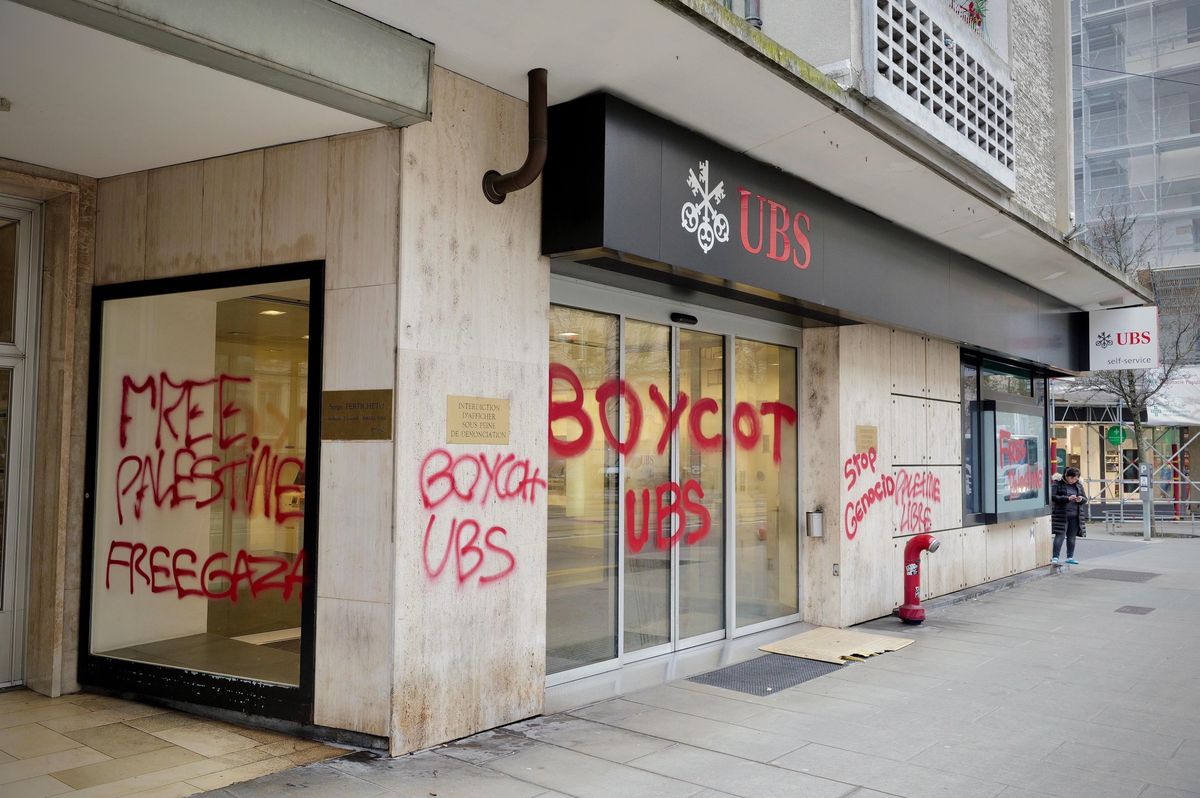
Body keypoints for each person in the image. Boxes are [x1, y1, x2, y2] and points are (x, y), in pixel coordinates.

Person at [1051, 466, 1087, 565]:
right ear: (1066, 476)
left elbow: (1085, 498)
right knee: (1060, 536)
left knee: (1071, 537)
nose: (1073, 480)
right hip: (1061, 514)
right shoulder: (1057, 483)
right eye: (1072, 478)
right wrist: (1067, 498)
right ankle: (1055, 557)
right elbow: (1053, 497)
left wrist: (1080, 499)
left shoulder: (1078, 485)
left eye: (1076, 479)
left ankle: (1070, 557)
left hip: (1075, 515)